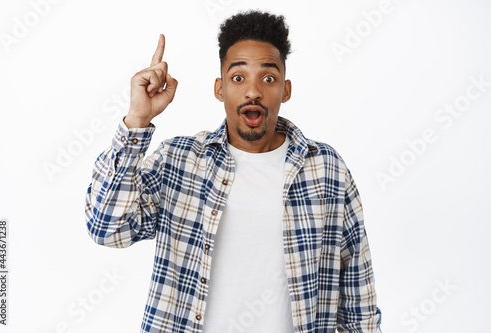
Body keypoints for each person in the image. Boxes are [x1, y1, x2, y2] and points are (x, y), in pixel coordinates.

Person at [85, 10, 382, 333]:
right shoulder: (180, 161)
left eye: (268, 78)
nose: (252, 91)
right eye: (238, 78)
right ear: (220, 88)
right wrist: (137, 122)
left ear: (285, 89)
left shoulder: (326, 170)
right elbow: (107, 228)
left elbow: (358, 302)